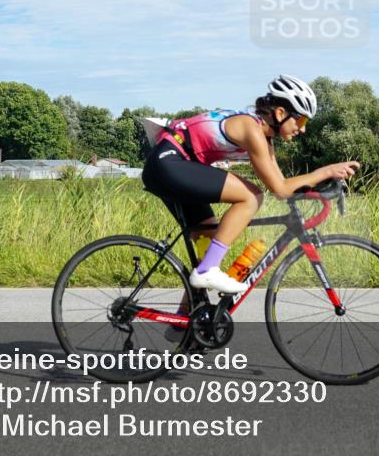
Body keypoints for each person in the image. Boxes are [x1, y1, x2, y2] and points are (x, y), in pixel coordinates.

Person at [141, 75, 360, 294]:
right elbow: (279, 189)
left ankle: (188, 319)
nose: (302, 130)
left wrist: (322, 184)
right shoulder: (252, 130)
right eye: (301, 121)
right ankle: (207, 270)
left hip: (174, 166)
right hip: (169, 163)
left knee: (206, 246)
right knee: (252, 196)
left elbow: (283, 187)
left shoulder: (265, 138)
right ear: (281, 114)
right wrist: (324, 171)